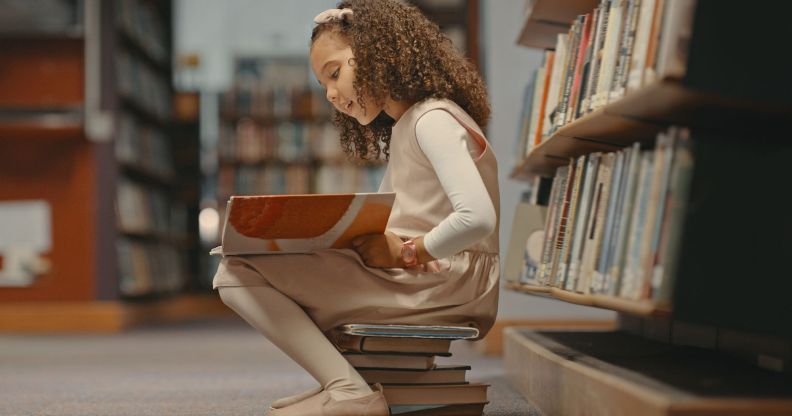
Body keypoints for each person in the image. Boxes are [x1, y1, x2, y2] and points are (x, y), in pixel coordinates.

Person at [214, 1, 500, 415]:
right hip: (429, 271)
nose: (332, 95)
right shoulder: (413, 122)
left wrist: (407, 251)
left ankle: (348, 389)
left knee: (237, 271)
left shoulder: (431, 119)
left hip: (443, 278)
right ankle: (346, 385)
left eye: (335, 73)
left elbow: (477, 217)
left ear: (378, 52)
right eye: (323, 86)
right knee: (254, 261)